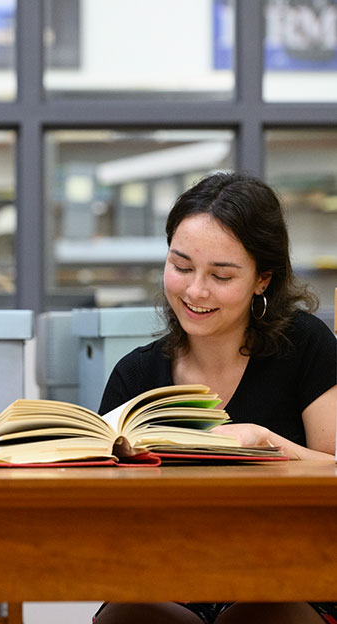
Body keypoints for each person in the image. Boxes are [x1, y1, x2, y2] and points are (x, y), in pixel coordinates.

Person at [93, 171, 337, 624]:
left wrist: (268, 443)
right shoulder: (137, 373)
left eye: (221, 275)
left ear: (263, 279)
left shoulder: (307, 346)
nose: (195, 291)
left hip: (291, 578)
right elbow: (105, 516)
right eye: (181, 267)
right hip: (167, 581)